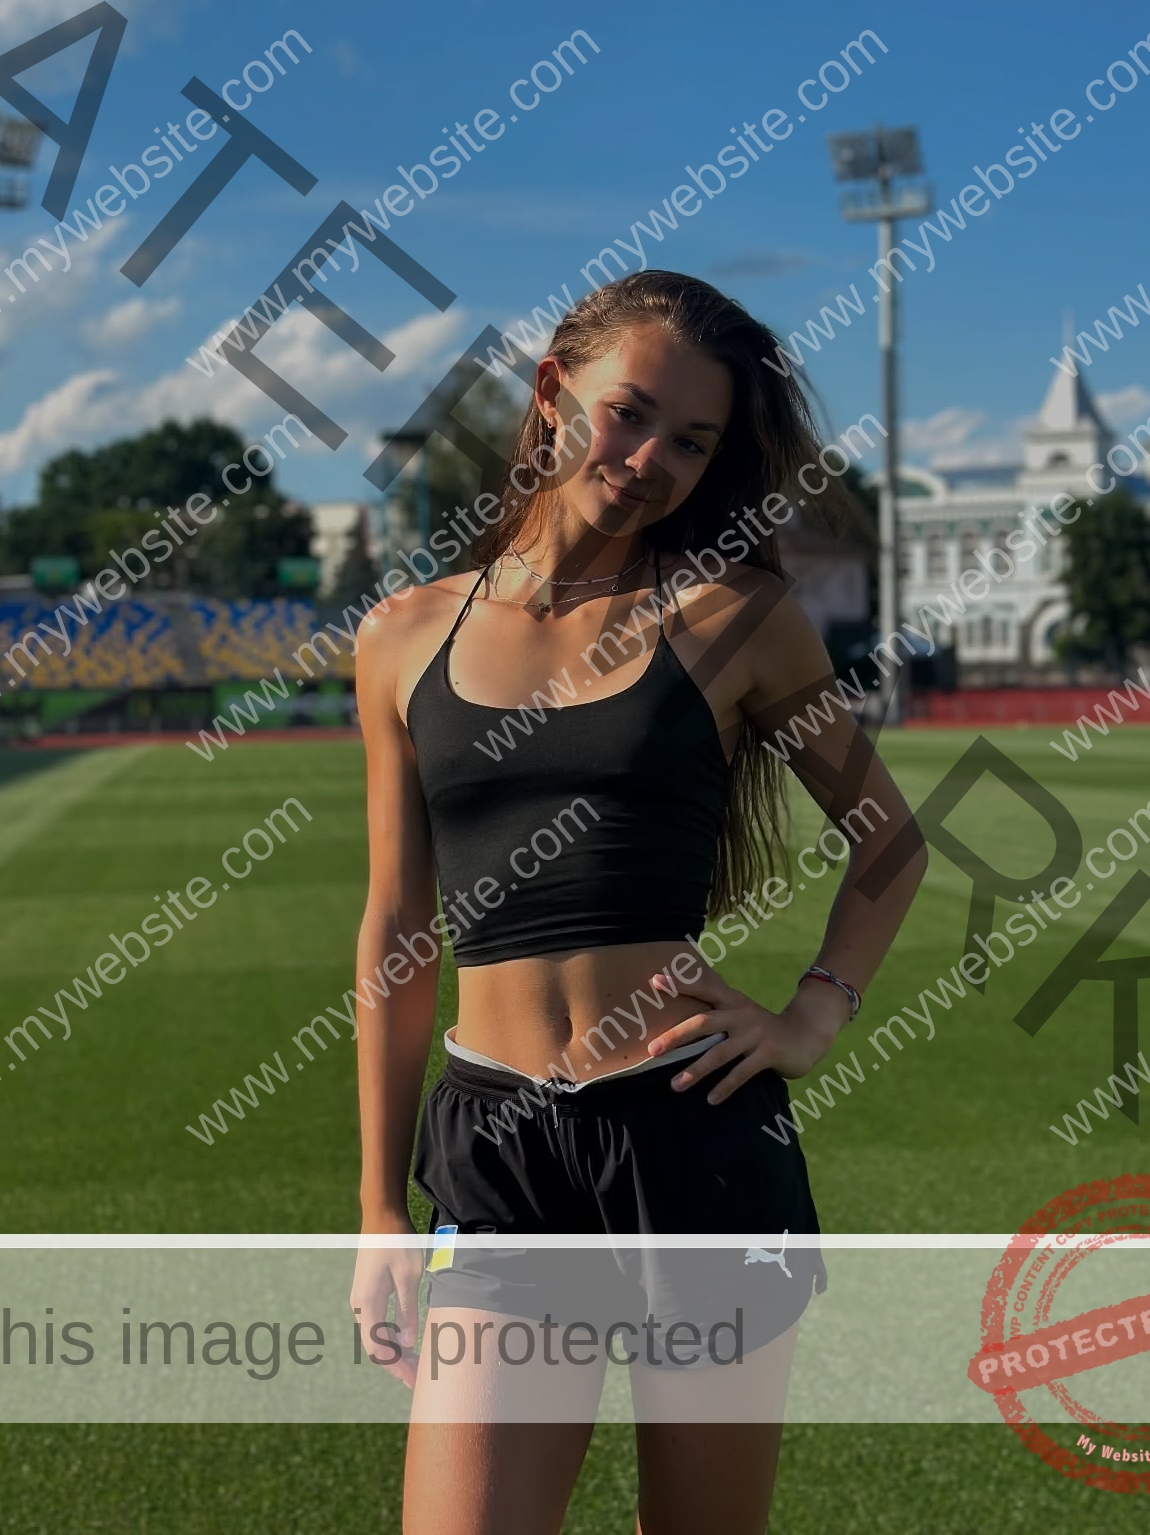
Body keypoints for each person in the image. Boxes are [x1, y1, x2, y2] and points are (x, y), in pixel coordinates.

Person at [349, 269, 928, 1534]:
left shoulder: (738, 618)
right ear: (555, 393)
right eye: (630, 413)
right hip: (496, 1149)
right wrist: (380, 1207)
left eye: (694, 443)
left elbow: (888, 842)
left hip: (695, 1138)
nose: (652, 458)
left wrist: (811, 1017)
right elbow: (398, 930)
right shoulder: (401, 636)